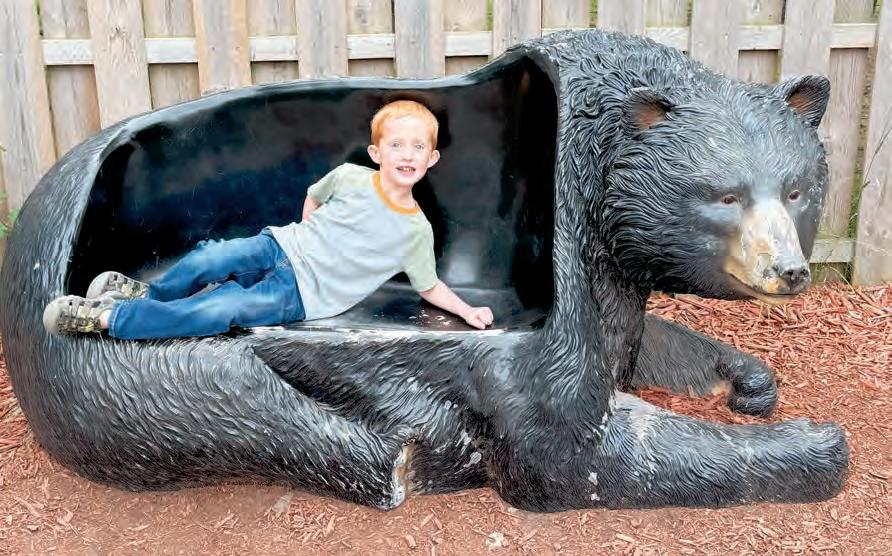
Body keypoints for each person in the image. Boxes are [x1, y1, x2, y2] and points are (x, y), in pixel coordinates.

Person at [43, 100, 494, 339]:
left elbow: (428, 286)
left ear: (432, 158)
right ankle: (150, 294)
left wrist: (467, 310)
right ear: (377, 153)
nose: (407, 154)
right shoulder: (351, 176)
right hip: (279, 245)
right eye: (397, 145)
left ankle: (110, 318)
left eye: (418, 147)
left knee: (223, 308)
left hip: (301, 294)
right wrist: (307, 231)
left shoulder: (416, 230)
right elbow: (314, 196)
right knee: (210, 258)